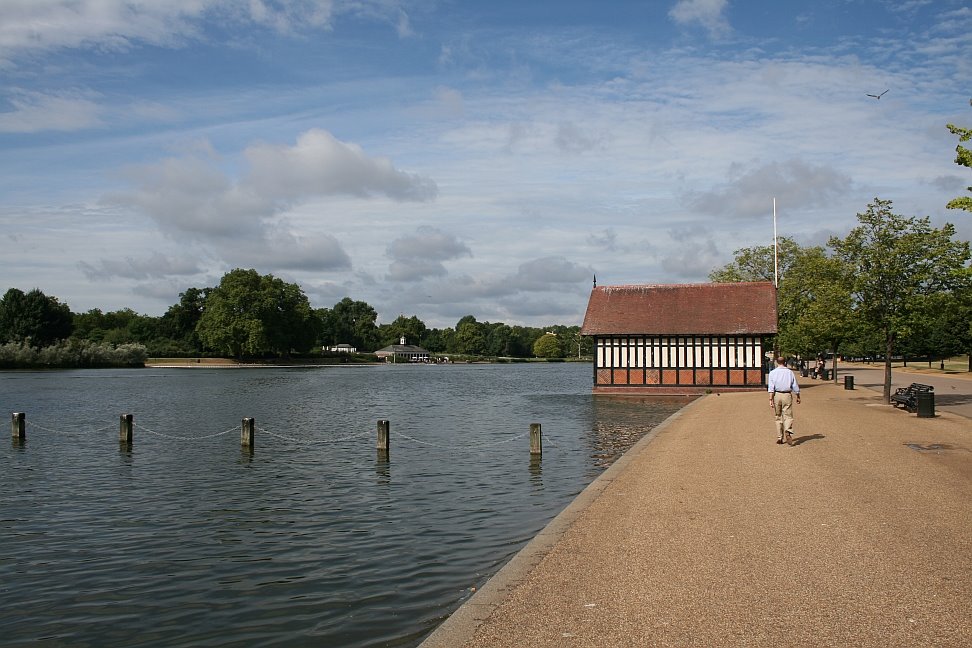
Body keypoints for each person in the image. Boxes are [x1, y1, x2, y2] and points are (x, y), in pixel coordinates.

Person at [767, 356, 801, 445]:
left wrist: (770, 399)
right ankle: (788, 430)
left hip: (777, 395)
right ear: (785, 362)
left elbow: (771, 387)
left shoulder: (772, 373)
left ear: (777, 362)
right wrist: (798, 395)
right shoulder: (790, 372)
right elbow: (794, 385)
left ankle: (779, 437)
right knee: (788, 415)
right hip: (787, 394)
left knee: (778, 416)